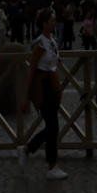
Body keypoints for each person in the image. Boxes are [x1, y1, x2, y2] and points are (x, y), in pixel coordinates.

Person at [19, 12, 67, 179]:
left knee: (52, 127)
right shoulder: (40, 43)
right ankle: (47, 162)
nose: (54, 23)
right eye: (52, 21)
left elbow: (55, 62)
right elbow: (32, 69)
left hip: (52, 86)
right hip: (43, 87)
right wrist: (26, 95)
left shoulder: (52, 41)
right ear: (44, 24)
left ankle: (38, 156)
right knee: (53, 127)